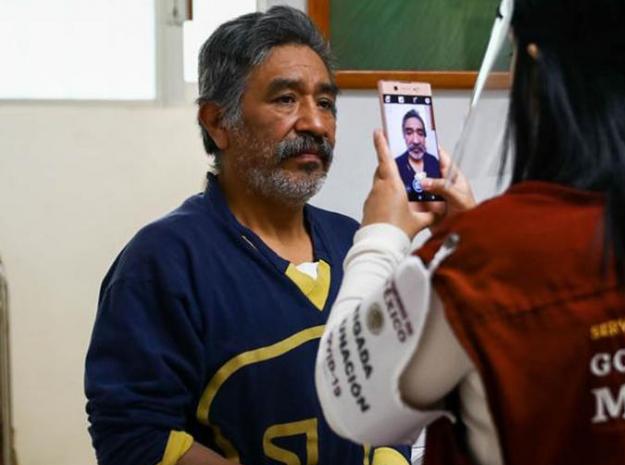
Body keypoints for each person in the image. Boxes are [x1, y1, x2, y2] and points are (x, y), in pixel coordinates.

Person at [315, 0, 625, 464]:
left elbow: (349, 401)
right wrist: (476, 235)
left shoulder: (488, 265)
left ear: (537, 66)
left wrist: (381, 234)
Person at [84, 7, 408, 465]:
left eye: (325, 103)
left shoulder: (355, 244)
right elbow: (133, 435)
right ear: (217, 122)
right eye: (286, 100)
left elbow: (392, 386)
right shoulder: (163, 263)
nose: (315, 124)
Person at [393, 110, 441, 200]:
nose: (416, 141)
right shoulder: (395, 166)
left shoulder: (434, 162)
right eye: (409, 133)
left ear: (424, 137)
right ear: (404, 135)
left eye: (420, 133)